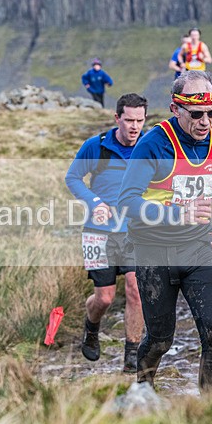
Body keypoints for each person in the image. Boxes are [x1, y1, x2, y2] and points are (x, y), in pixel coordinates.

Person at [118, 70, 212, 395]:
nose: (205, 121)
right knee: (161, 338)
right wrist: (178, 213)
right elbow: (127, 202)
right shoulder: (153, 144)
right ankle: (142, 393)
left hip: (197, 249)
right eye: (196, 114)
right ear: (176, 109)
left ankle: (209, 411)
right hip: (153, 253)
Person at [65, 93, 148, 373]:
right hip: (98, 232)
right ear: (117, 119)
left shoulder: (150, 147)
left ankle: (132, 353)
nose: (134, 126)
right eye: (129, 120)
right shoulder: (96, 146)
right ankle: (91, 327)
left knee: (136, 289)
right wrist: (95, 202)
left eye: (139, 120)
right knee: (104, 298)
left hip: (135, 231)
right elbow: (72, 178)